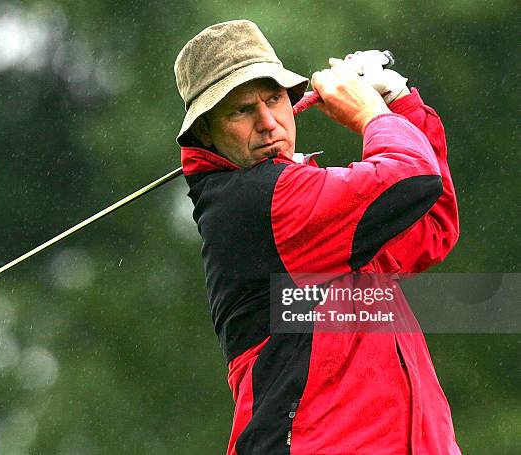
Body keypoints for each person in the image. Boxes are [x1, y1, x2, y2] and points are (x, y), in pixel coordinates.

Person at [174, 20, 461, 454]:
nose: (269, 123)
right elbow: (413, 178)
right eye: (241, 110)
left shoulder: (303, 199)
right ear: (206, 135)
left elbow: (430, 225)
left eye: (274, 99)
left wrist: (400, 103)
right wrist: (372, 115)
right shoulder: (258, 201)